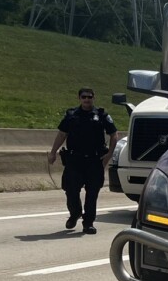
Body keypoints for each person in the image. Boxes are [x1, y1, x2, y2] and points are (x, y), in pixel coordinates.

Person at [48, 87, 118, 234]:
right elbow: (62, 134)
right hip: (74, 160)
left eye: (89, 97)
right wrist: (53, 152)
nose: (87, 99)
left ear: (94, 98)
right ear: (79, 98)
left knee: (92, 193)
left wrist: (109, 154)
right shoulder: (71, 115)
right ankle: (75, 214)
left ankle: (88, 223)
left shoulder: (101, 115)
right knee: (71, 191)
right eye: (84, 97)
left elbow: (113, 134)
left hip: (94, 161)